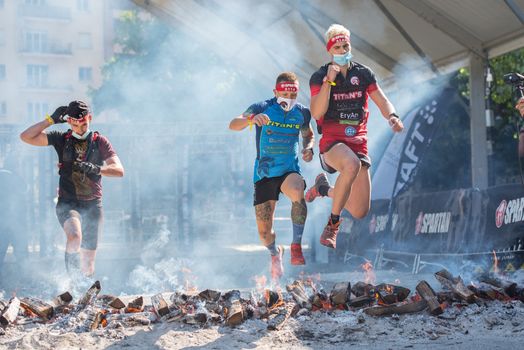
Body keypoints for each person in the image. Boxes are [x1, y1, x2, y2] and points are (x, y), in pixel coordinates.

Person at [305, 24, 404, 249]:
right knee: (351, 164)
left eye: (345, 46)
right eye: (337, 47)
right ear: (330, 50)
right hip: (332, 142)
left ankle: (322, 189)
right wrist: (329, 82)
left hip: (358, 141)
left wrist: (392, 116)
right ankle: (332, 225)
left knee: (360, 210)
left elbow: (382, 100)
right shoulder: (320, 75)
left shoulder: (364, 73)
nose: (342, 50)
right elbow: (317, 112)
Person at [20, 100, 124, 278]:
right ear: (69, 122)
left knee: (88, 264)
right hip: (69, 203)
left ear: (89, 118)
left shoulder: (100, 142)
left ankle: (85, 294)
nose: (80, 127)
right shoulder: (61, 139)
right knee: (75, 236)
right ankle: (71, 284)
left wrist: (96, 168)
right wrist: (50, 119)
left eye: (83, 122)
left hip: (93, 204)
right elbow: (26, 137)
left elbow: (119, 171)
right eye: (75, 123)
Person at [229, 72, 315, 281]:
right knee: (264, 234)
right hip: (265, 174)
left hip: (289, 170)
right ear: (275, 92)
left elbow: (308, 134)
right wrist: (251, 119)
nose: (289, 97)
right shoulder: (262, 107)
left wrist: (309, 148)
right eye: (284, 93)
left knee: (297, 190)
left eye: (293, 94)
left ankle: (296, 245)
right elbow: (233, 124)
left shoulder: (302, 112)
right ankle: (275, 253)